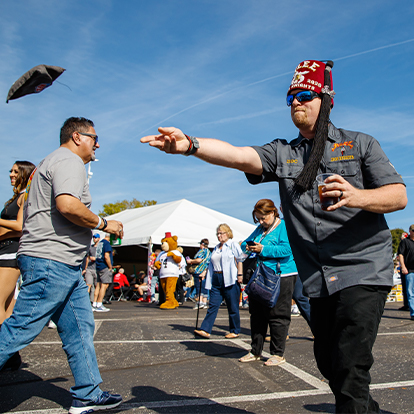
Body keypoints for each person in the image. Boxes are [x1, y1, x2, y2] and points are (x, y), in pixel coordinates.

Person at [141, 60, 407, 413]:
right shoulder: (284, 152)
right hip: (319, 278)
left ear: (327, 99)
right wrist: (190, 144)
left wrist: (357, 196)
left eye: (305, 94)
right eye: (290, 97)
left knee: (349, 363)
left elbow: (398, 196)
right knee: (330, 363)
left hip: (362, 269)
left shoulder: (359, 144)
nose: (296, 102)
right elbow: (238, 156)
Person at [0, 117, 124, 413]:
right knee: (20, 328)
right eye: (95, 138)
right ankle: (88, 392)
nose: (98, 144)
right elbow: (68, 205)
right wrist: (105, 223)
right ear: (78, 137)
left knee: (79, 326)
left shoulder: (49, 162)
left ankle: (88, 393)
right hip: (51, 260)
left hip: (62, 263)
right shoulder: (69, 161)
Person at [239, 199, 297, 366]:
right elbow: (244, 243)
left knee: (277, 314)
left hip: (282, 274)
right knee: (256, 313)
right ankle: (255, 351)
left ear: (273, 213)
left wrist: (263, 249)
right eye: (258, 219)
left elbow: (288, 249)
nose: (261, 222)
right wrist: (248, 246)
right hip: (261, 274)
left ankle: (278, 353)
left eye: (263, 218)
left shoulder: (284, 226)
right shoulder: (260, 229)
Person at [0, 161, 35, 326]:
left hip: (11, 252)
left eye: (15, 171)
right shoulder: (16, 197)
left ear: (25, 174)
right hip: (5, 249)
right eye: (11, 171)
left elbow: (20, 226)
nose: (11, 174)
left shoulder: (24, 197)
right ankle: (9, 350)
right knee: (7, 306)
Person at [194, 224, 244, 339]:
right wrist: (204, 273)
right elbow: (211, 263)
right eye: (218, 233)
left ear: (227, 233)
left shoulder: (233, 245)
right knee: (213, 305)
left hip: (230, 278)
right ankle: (205, 329)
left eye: (221, 233)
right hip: (216, 278)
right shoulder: (216, 247)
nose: (219, 235)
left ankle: (235, 330)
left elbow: (240, 259)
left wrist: (240, 274)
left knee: (232, 306)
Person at [186, 238, 211, 309]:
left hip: (199, 270)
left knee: (198, 286)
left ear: (202, 244)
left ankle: (199, 302)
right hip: (206, 271)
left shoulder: (202, 251)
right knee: (205, 287)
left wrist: (191, 261)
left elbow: (199, 260)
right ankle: (204, 302)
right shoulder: (209, 252)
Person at [397, 225, 414, 321]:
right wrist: (403, 266)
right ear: (410, 231)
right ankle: (413, 313)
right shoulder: (405, 242)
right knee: (410, 292)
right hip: (410, 270)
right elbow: (401, 254)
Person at [93, 234, 113, 312]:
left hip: (98, 265)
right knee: (104, 285)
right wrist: (110, 266)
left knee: (98, 285)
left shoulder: (100, 243)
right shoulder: (106, 243)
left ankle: (94, 303)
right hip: (104, 266)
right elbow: (106, 256)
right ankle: (99, 304)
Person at [84, 233, 100, 302]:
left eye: (95, 238)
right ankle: (85, 300)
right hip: (89, 269)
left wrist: (96, 258)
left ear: (99, 238)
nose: (94, 239)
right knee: (89, 284)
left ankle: (95, 301)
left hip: (97, 268)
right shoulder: (90, 247)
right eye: (93, 237)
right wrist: (85, 268)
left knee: (97, 286)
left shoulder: (100, 248)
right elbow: (87, 258)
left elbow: (104, 258)